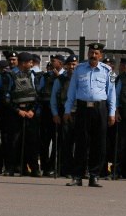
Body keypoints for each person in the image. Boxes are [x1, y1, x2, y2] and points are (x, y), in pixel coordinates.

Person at [64, 42, 116, 188]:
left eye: (96, 53)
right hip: (83, 109)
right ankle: (78, 176)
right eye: (91, 53)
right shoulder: (79, 69)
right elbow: (72, 91)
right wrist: (67, 110)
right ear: (88, 54)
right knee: (81, 142)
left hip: (100, 109)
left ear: (101, 55)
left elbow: (112, 93)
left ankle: (94, 176)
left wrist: (111, 113)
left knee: (98, 143)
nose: (93, 56)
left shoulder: (108, 71)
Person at [51, 54, 78, 177]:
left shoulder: (81, 79)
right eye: (70, 64)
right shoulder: (60, 80)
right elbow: (53, 99)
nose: (72, 66)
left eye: (74, 64)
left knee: (80, 143)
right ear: (66, 66)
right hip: (65, 114)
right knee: (65, 143)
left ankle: (78, 170)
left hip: (79, 114)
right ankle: (65, 170)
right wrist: (55, 114)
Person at [38, 54, 64, 176]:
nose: (51, 63)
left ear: (61, 63)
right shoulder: (46, 76)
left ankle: (54, 166)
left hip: (60, 111)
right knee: (44, 140)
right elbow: (40, 90)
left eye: (54, 61)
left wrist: (60, 78)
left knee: (57, 140)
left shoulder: (65, 76)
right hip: (46, 110)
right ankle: (45, 166)